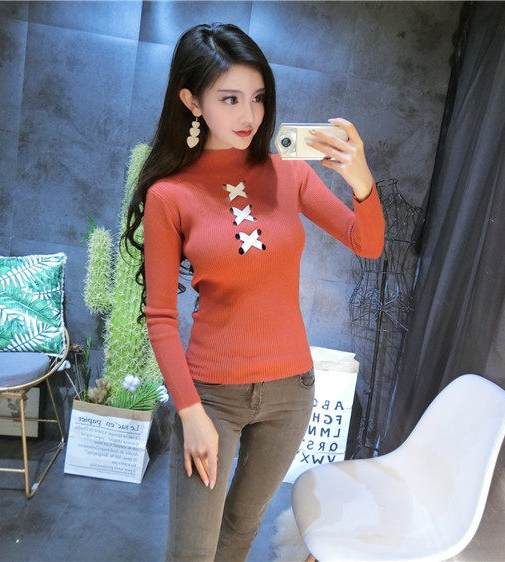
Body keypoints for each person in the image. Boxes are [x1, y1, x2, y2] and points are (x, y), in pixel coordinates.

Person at [122, 22, 385, 561]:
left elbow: (368, 242)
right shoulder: (170, 195)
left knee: (241, 531)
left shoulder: (289, 173)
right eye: (230, 99)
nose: (249, 115)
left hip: (291, 391)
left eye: (258, 97)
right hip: (211, 396)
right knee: (192, 550)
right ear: (192, 102)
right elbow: (161, 317)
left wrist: (361, 180)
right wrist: (190, 412)